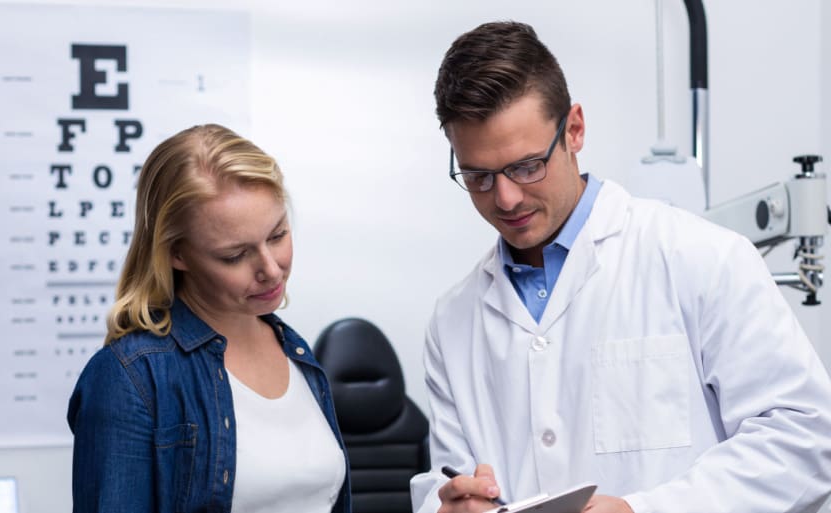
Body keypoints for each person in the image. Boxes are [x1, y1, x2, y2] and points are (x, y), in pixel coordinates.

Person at [409, 20, 831, 513]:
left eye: (527, 166)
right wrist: (451, 507)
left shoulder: (702, 258)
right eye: (478, 176)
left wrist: (643, 510)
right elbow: (449, 480)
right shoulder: (452, 320)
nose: (505, 198)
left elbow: (804, 440)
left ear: (574, 130)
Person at [67, 124, 351, 513]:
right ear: (175, 254)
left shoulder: (297, 353)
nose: (271, 269)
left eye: (277, 235)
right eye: (234, 255)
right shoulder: (128, 378)